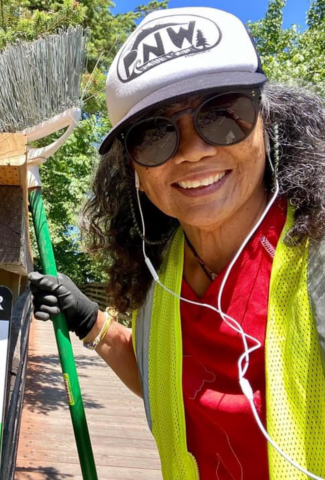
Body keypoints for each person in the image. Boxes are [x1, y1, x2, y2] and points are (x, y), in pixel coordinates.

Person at [28, 6, 325, 479]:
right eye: (153, 133)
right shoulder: (160, 276)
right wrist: (91, 322)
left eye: (223, 113)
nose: (193, 150)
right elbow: (166, 387)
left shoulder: (317, 261)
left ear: (265, 123)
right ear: (134, 173)